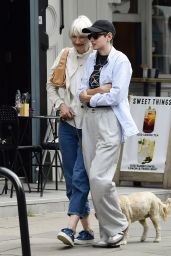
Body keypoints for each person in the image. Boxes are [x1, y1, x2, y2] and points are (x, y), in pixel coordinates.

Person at [78, 19, 139, 248]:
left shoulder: (121, 60)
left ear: (109, 36)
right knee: (94, 180)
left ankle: (120, 224)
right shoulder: (91, 59)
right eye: (90, 36)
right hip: (90, 120)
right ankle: (108, 233)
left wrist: (90, 96)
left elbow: (115, 96)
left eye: (95, 36)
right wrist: (98, 90)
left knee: (99, 178)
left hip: (109, 120)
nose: (91, 39)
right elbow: (79, 91)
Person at [46, 15, 94, 247]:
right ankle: (87, 229)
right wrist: (61, 105)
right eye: (73, 37)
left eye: (82, 37)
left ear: (90, 37)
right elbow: (51, 86)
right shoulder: (65, 54)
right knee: (69, 179)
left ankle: (71, 227)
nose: (77, 41)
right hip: (67, 125)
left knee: (79, 177)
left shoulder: (98, 57)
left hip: (89, 127)